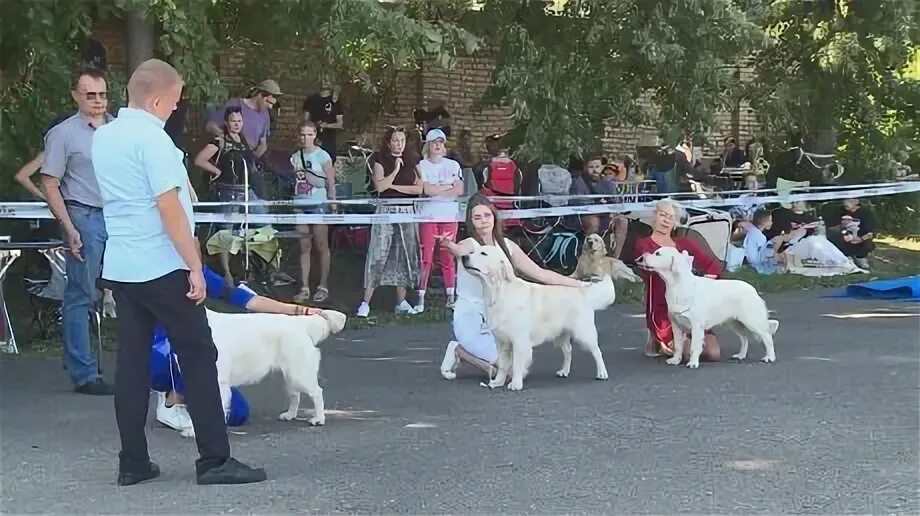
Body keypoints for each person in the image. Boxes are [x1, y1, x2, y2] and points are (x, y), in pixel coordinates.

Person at [92, 59, 265, 486]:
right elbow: (168, 205)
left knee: (130, 362)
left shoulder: (106, 137)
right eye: (174, 99)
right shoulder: (154, 140)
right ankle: (214, 460)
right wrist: (194, 265)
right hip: (163, 263)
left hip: (123, 264)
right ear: (155, 99)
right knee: (198, 355)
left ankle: (132, 461)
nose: (176, 107)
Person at [435, 194, 590, 379]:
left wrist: (580, 285)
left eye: (487, 215)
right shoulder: (469, 245)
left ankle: (474, 356)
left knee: (511, 364)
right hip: (470, 314)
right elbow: (459, 250)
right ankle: (459, 350)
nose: (483, 221)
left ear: (494, 216)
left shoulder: (507, 247)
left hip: (497, 316)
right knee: (505, 367)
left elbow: (541, 274)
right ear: (470, 221)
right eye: (477, 217)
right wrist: (448, 245)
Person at [154, 267, 321, 432]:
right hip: (158, 347)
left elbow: (239, 296)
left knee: (238, 413)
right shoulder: (146, 268)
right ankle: (173, 399)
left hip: (192, 332)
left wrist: (299, 311)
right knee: (173, 364)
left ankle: (195, 405)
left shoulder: (193, 268)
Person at [39, 68, 114, 395]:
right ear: (76, 96)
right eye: (90, 95)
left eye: (102, 94)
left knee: (134, 290)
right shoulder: (63, 134)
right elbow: (50, 181)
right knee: (82, 293)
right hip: (83, 214)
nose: (97, 101)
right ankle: (84, 373)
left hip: (120, 215)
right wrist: (68, 226)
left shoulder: (119, 129)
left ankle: (143, 366)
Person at [635, 199, 723, 362]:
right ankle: (659, 337)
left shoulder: (684, 244)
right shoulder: (644, 245)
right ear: (654, 216)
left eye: (671, 217)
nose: (667, 220)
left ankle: (685, 338)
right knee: (687, 353)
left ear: (675, 222)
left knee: (713, 354)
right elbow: (645, 265)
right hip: (663, 307)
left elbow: (714, 265)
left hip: (693, 305)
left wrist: (707, 281)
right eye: (663, 215)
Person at [194, 106, 266, 286]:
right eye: (233, 121)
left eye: (239, 121)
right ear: (227, 122)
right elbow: (200, 160)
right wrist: (217, 171)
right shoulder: (220, 141)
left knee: (264, 222)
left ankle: (258, 267)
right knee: (226, 231)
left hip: (247, 190)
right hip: (229, 192)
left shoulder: (243, 142)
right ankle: (226, 273)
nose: (237, 124)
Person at [357, 126, 423, 318]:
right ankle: (365, 302)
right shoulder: (379, 159)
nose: (398, 144)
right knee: (378, 253)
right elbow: (380, 186)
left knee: (404, 254)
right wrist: (394, 171)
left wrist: (393, 186)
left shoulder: (413, 160)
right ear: (388, 142)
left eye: (402, 140)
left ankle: (401, 301)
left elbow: (418, 188)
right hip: (386, 210)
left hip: (406, 210)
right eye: (395, 140)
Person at [205, 79, 281, 197]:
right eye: (268, 102)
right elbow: (211, 126)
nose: (270, 107)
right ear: (261, 95)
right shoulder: (235, 105)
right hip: (231, 164)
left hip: (250, 165)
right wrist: (228, 139)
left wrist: (251, 158)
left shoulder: (265, 115)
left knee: (259, 205)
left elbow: (263, 144)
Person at [416, 128, 463, 312]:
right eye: (434, 142)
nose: (438, 145)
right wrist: (446, 187)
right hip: (428, 214)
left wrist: (439, 189)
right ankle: (420, 297)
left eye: (441, 142)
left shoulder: (453, 165)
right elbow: (426, 190)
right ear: (428, 145)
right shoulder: (421, 165)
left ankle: (451, 296)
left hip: (449, 214)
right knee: (426, 257)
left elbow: (459, 190)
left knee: (448, 255)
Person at [290, 121, 336, 304]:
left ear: (315, 135)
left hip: (318, 204)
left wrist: (333, 204)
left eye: (309, 134)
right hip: (300, 203)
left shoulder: (323, 156)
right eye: (302, 134)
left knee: (321, 244)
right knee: (304, 246)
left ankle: (323, 285)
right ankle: (304, 286)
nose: (305, 138)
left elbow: (331, 181)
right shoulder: (294, 157)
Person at [826, 198, 876, 269]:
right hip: (842, 237)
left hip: (860, 239)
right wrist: (843, 234)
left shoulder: (866, 212)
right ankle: (844, 259)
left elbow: (872, 232)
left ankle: (860, 258)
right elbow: (831, 228)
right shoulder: (839, 210)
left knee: (867, 245)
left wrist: (860, 239)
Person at [302, 81, 344, 162]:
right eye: (323, 79)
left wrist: (326, 125)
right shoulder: (311, 100)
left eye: (328, 80)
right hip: (312, 141)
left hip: (328, 142)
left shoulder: (336, 101)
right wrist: (315, 126)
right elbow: (305, 121)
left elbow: (340, 124)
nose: (325, 82)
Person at [743, 209, 790, 274]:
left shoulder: (751, 232)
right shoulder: (760, 236)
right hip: (756, 266)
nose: (772, 223)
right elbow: (763, 255)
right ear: (764, 222)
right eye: (770, 221)